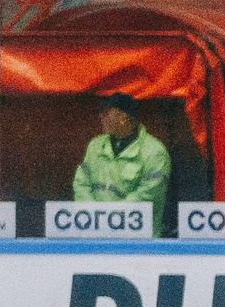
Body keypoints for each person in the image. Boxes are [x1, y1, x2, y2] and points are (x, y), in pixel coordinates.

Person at [72, 93, 170, 233]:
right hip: (96, 232)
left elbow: (147, 195)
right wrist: (93, 215)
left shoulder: (155, 152)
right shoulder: (95, 145)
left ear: (123, 118)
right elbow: (81, 183)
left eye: (106, 113)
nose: (101, 117)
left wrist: (107, 217)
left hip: (138, 240)